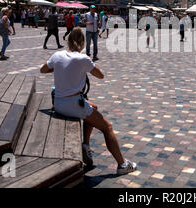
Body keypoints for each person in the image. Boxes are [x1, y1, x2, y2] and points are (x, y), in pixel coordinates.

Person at [40, 28, 137, 175]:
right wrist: (83, 67)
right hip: (73, 105)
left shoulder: (57, 55)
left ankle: (86, 144)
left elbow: (43, 70)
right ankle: (122, 165)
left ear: (67, 41)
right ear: (83, 43)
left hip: (58, 103)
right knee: (107, 127)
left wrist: (60, 69)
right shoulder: (83, 59)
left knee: (93, 107)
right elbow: (101, 75)